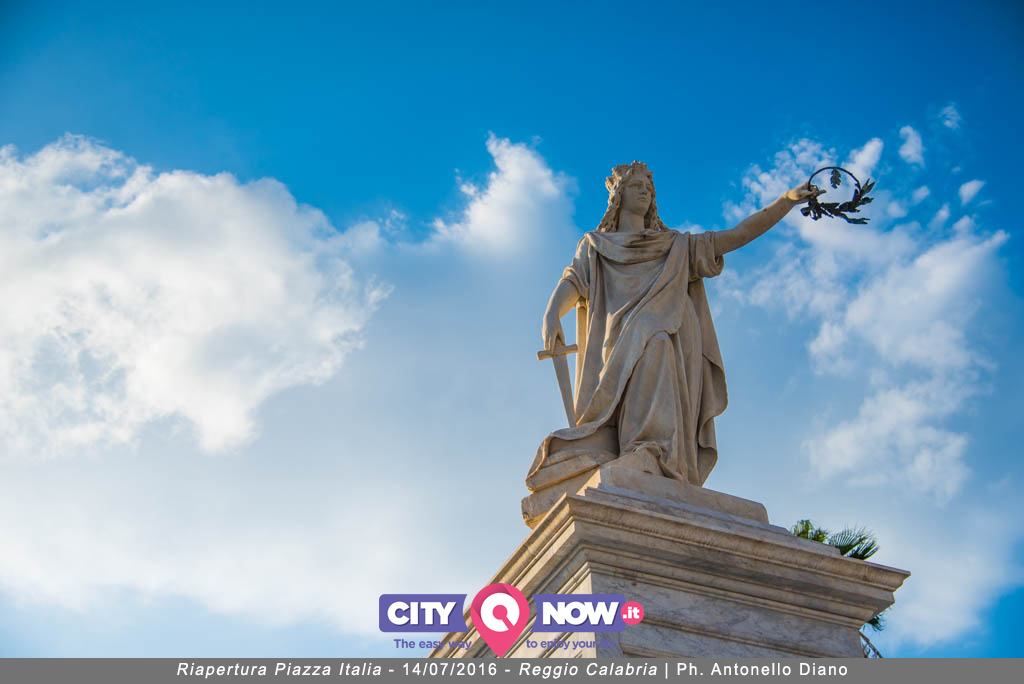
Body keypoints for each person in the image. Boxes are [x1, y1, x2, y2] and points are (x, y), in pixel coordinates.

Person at [529, 161, 821, 488]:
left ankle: (653, 452)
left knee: (655, 338)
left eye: (649, 189)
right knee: (644, 343)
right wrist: (552, 313)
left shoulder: (675, 247)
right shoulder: (595, 245)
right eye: (637, 186)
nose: (645, 192)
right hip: (616, 344)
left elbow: (735, 236)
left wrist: (785, 201)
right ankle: (634, 451)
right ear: (619, 195)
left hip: (663, 337)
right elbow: (574, 280)